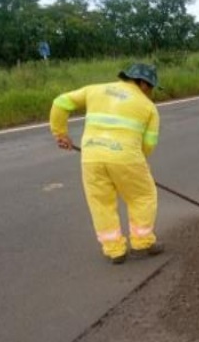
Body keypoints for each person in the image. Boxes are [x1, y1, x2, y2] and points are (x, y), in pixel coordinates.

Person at [49, 63, 164, 264]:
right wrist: (138, 164)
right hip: (126, 158)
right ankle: (142, 242)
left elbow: (60, 102)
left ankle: (114, 250)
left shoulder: (94, 90)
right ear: (144, 84)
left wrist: (60, 133)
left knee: (101, 203)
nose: (151, 92)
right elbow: (149, 144)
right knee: (143, 196)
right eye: (152, 87)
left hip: (91, 157)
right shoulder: (148, 107)